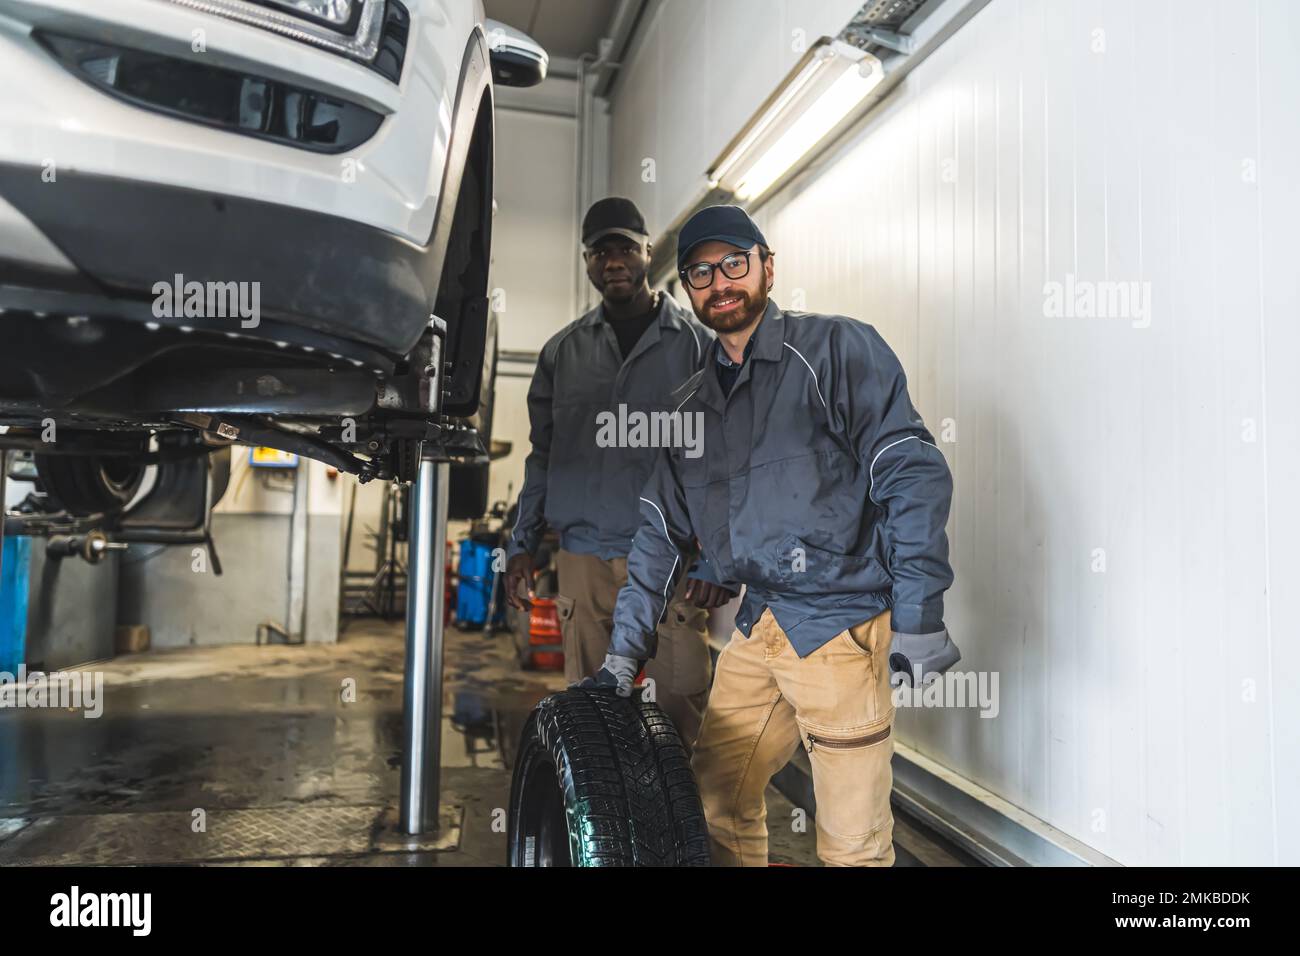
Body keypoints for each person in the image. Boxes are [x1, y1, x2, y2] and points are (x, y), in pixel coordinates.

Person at [587, 204, 961, 866]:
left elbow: (913, 474)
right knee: (711, 801)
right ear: (688, 291)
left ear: (766, 266)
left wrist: (919, 613)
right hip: (756, 628)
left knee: (852, 843)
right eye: (700, 273)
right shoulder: (686, 409)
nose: (719, 282)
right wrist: (623, 656)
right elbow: (657, 536)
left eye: (734, 263)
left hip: (838, 627)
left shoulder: (838, 351)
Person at [504, 197, 735, 751]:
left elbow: (726, 458)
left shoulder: (699, 348)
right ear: (587, 263)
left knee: (680, 708)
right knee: (590, 716)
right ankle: (603, 835)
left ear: (647, 254)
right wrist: (520, 544)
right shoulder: (562, 353)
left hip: (670, 559)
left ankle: (678, 832)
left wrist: (719, 555)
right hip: (582, 558)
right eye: (600, 251)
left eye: (625, 248)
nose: (613, 261)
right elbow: (543, 457)